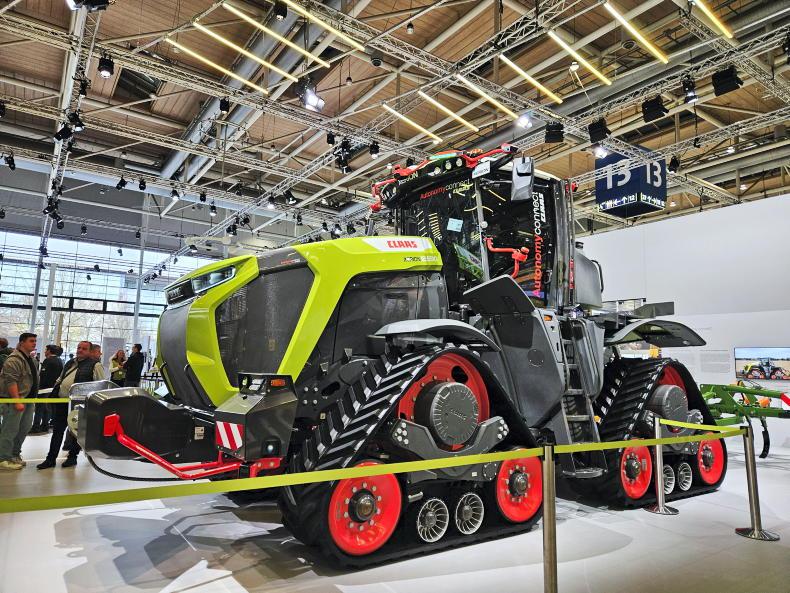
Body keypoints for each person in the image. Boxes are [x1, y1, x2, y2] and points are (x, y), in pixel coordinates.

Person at [37, 341, 105, 470]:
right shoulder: (70, 363)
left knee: (76, 432)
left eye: (84, 348)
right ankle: (50, 459)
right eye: (79, 347)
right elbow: (61, 378)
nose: (80, 350)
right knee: (57, 431)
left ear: (90, 351)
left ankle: (72, 457)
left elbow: (101, 385)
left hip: (79, 405)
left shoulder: (96, 365)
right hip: (62, 402)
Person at [0, 333, 39, 470]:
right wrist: (16, 401)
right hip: (15, 401)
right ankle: (3, 458)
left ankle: (14, 454)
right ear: (22, 342)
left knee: (23, 429)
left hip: (28, 400)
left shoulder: (30, 359)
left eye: (35, 341)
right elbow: (11, 381)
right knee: (10, 430)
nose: (34, 343)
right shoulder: (14, 360)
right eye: (31, 341)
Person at [29, 344, 64, 434]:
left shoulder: (48, 360)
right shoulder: (60, 361)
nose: (45, 352)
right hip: (53, 388)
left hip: (44, 389)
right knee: (47, 408)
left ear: (49, 351)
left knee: (39, 408)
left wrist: (38, 387)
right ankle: (45, 425)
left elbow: (43, 375)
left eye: (46, 350)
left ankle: (36, 426)